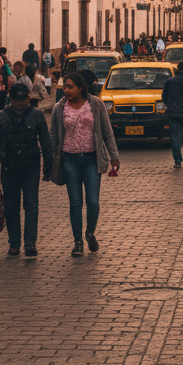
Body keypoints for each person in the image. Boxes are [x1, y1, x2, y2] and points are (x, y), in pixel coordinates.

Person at [50, 72, 120, 257]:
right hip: (69, 160)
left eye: (70, 87)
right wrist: (49, 160)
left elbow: (107, 132)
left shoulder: (95, 104)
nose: (66, 90)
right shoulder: (59, 107)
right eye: (65, 86)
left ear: (80, 88)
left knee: (93, 202)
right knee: (75, 203)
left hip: (91, 159)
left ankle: (90, 232)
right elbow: (53, 135)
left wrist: (114, 156)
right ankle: (78, 241)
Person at [0, 82, 53, 258]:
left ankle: (14, 245)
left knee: (11, 207)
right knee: (31, 205)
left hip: (9, 168)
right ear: (28, 97)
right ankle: (29, 244)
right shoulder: (37, 115)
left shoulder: (1, 117)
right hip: (30, 167)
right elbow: (46, 143)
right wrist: (48, 166)